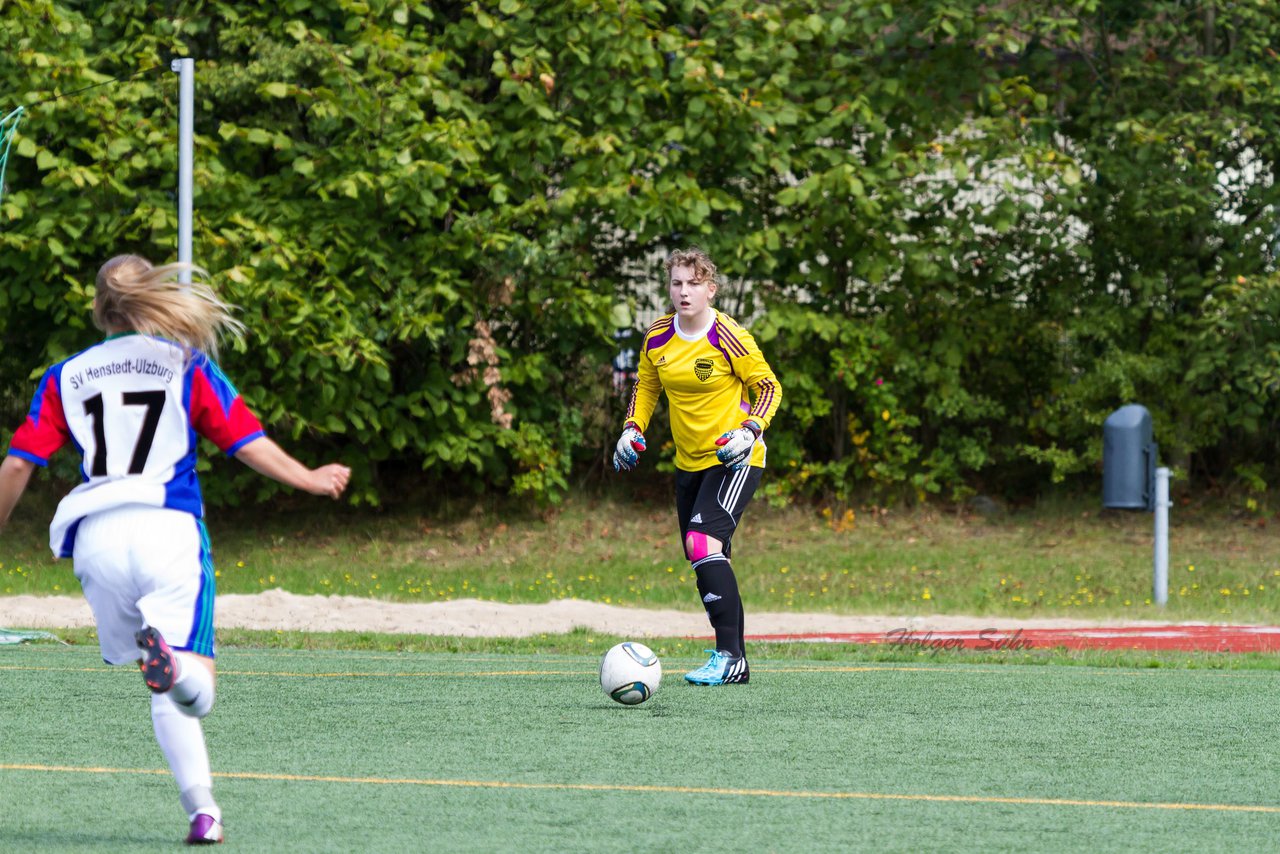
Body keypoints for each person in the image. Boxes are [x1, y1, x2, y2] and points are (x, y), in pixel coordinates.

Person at [0, 255, 351, 845]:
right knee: (191, 684)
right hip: (167, 530)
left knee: (155, 673)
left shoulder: (67, 375)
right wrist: (310, 478)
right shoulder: (184, 364)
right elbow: (246, 442)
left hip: (97, 541)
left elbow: (17, 463)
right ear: (153, 299)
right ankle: (185, 696)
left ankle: (204, 811)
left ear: (97, 308)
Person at [613, 247, 781, 686]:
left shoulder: (728, 335)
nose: (683, 292)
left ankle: (729, 657)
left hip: (735, 457)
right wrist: (631, 428)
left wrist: (750, 430)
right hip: (689, 463)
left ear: (711, 289)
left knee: (702, 542)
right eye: (676, 283)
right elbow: (646, 387)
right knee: (704, 552)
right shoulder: (658, 336)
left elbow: (768, 387)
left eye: (692, 283)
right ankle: (736, 661)